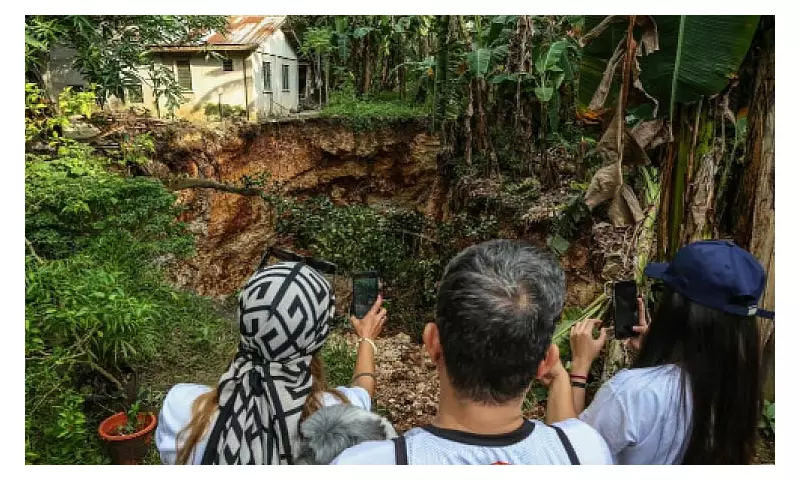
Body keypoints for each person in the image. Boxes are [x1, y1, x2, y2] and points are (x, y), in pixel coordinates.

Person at [331, 239, 612, 465]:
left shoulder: (366, 464)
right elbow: (566, 434)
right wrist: (570, 373)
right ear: (546, 362)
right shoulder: (587, 452)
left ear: (432, 343)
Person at [564, 240, 774, 464]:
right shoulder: (741, 391)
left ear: (677, 311)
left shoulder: (632, 393)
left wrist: (579, 366)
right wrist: (662, 355)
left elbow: (569, 456)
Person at [155, 261, 387, 464]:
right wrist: (366, 339)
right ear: (317, 339)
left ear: (245, 319)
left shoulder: (181, 409)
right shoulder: (339, 423)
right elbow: (363, 388)